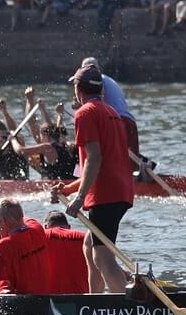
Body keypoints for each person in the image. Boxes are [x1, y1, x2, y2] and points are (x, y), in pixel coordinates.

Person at [52, 62, 133, 294]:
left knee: (102, 258)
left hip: (106, 196)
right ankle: (94, 299)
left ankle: (124, 307)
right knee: (89, 247)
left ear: (78, 89)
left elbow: (94, 160)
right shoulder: (111, 112)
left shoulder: (85, 113)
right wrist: (68, 190)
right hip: (121, 191)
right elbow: (101, 167)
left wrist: (79, 197)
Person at [42, 211, 89, 294]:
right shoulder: (84, 238)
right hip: (81, 296)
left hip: (48, 296)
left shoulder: (40, 237)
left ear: (45, 227)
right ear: (69, 227)